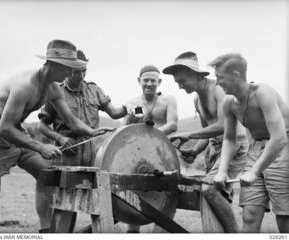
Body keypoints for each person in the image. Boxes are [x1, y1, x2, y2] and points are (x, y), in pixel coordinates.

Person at [0, 39, 112, 233]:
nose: (72, 73)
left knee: (47, 175)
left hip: (15, 128)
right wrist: (42, 147)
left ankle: (47, 232)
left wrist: (91, 131)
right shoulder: (24, 85)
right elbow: (4, 129)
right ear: (53, 65)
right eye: (69, 68)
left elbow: (70, 121)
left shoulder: (54, 88)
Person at [36, 50, 128, 231]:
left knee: (99, 201)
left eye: (84, 70)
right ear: (68, 69)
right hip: (67, 154)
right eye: (77, 71)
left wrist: (130, 107)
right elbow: (41, 126)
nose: (81, 74)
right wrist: (60, 138)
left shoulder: (93, 89)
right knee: (67, 202)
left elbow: (115, 112)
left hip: (93, 154)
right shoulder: (56, 91)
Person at [163, 52, 248, 233]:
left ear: (196, 75)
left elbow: (224, 126)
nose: (180, 86)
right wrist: (194, 151)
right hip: (214, 147)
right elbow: (209, 133)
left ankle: (235, 234)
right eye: (177, 83)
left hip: (234, 144)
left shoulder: (217, 90)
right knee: (211, 194)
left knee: (209, 189)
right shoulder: (196, 99)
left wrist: (190, 135)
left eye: (182, 81)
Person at [210, 53, 289, 233]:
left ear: (236, 75)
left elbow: (279, 138)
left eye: (220, 78)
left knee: (285, 217)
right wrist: (222, 171)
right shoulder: (229, 103)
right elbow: (229, 139)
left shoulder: (263, 93)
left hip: (283, 149)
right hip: (256, 149)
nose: (217, 83)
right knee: (249, 214)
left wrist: (254, 171)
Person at [123, 65, 178, 233]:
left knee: (167, 193)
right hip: (139, 156)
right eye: (145, 80)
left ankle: (159, 232)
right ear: (139, 81)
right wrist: (131, 121)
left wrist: (151, 137)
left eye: (153, 80)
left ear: (159, 82)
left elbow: (173, 124)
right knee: (137, 191)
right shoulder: (132, 103)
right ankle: (133, 231)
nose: (149, 84)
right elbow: (123, 130)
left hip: (163, 155)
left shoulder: (168, 100)